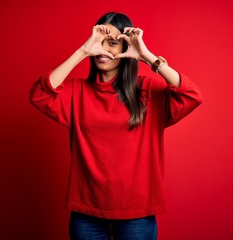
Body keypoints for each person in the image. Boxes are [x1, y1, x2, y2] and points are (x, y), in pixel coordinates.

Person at [30, 12, 202, 240]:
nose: (103, 51)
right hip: (87, 213)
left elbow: (191, 95)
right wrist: (83, 50)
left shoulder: (147, 91)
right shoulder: (76, 92)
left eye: (112, 43)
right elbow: (40, 95)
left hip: (137, 215)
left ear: (126, 48)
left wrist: (146, 56)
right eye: (98, 43)